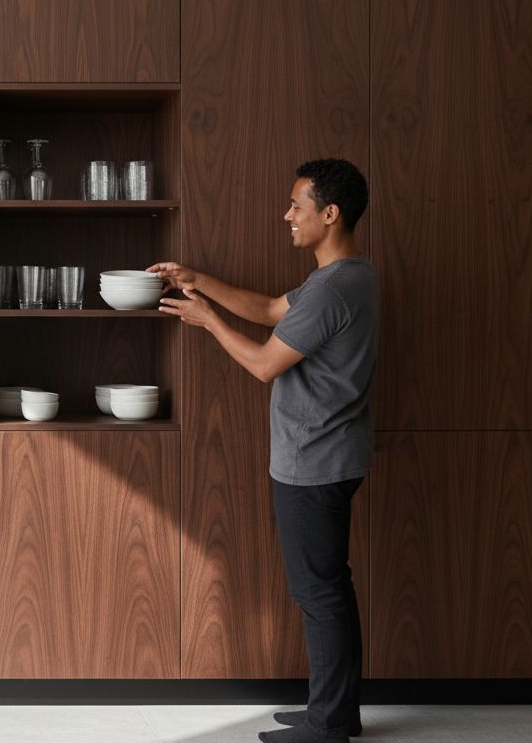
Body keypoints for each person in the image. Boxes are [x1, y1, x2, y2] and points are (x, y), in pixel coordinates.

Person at [150, 158, 377, 743]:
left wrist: (206, 322)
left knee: (318, 593)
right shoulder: (348, 276)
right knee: (329, 588)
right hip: (332, 455)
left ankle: (328, 725)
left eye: (297, 205)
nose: (287, 215)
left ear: (330, 214)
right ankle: (335, 712)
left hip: (313, 462)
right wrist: (198, 280)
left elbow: (263, 364)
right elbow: (272, 310)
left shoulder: (333, 290)